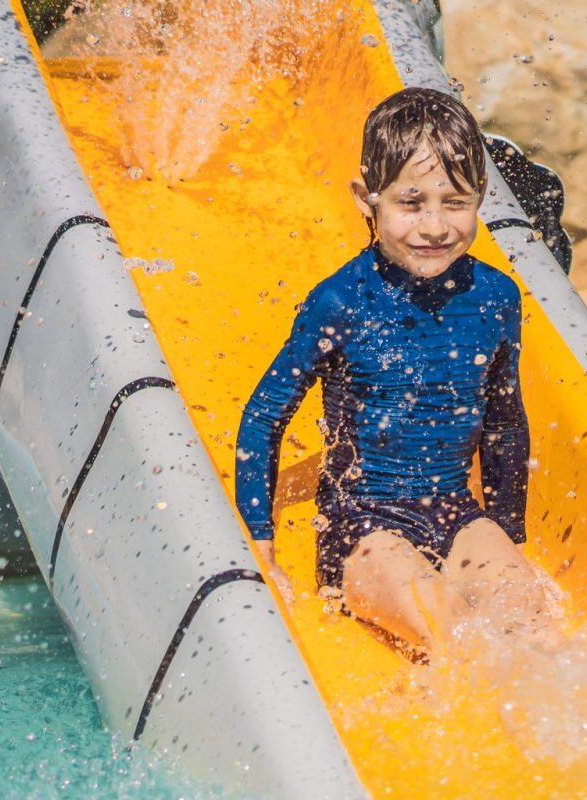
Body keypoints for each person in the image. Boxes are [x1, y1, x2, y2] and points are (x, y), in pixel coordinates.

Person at [234, 87, 564, 652]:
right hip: (364, 530)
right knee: (448, 629)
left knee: (533, 618)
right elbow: (265, 415)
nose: (435, 226)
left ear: (481, 198)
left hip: (455, 512)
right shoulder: (341, 302)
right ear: (369, 200)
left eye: (455, 202)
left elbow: (505, 423)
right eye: (411, 203)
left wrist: (509, 540)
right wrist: (260, 548)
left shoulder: (495, 297)